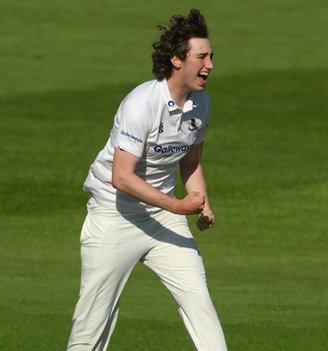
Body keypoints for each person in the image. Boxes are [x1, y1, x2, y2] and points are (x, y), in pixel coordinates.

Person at [67, 9, 227, 351]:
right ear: (176, 60)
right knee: (92, 324)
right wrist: (178, 205)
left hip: (163, 218)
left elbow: (191, 161)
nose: (210, 65)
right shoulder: (141, 103)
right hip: (115, 213)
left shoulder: (202, 105)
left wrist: (202, 204)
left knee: (199, 300)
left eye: (211, 56)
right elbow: (121, 177)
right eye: (201, 57)